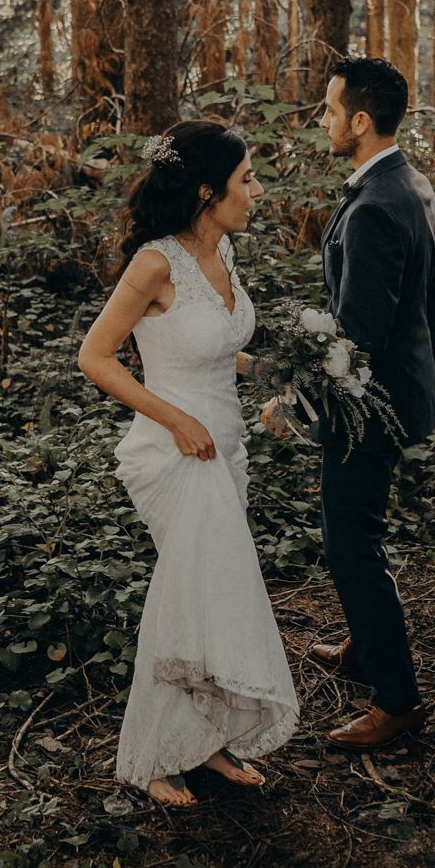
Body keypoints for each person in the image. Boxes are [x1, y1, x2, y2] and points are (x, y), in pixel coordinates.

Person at [77, 120, 299, 807]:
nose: (257, 191)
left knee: (215, 598)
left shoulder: (223, 251)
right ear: (208, 190)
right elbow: (95, 356)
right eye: (247, 179)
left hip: (226, 446)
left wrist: (274, 371)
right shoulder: (155, 263)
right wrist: (174, 419)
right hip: (176, 451)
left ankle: (209, 742)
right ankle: (151, 756)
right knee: (187, 596)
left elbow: (211, 345)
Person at [279, 54, 435, 752]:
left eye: (328, 108)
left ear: (360, 119)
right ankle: (364, 636)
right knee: (362, 534)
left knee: (351, 542)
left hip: (365, 410)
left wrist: (294, 389)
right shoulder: (409, 182)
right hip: (400, 394)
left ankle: (397, 698)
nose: (321, 119)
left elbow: (356, 338)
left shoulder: (377, 208)